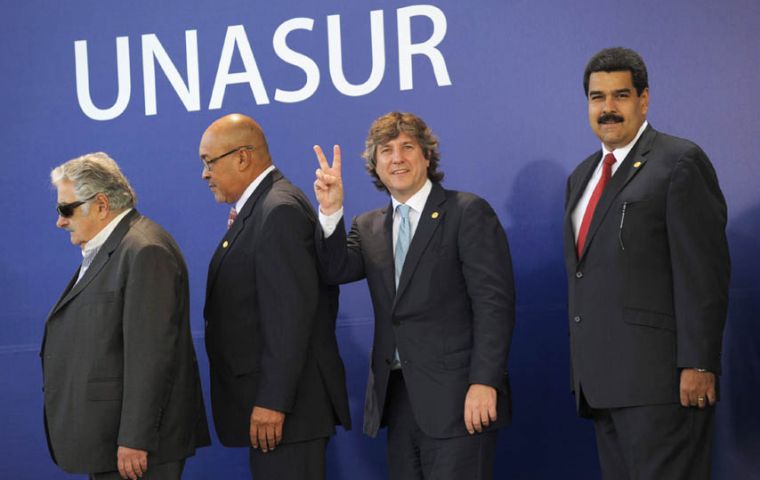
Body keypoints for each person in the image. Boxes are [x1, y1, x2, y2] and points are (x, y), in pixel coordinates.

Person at [313, 112, 515, 479]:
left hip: (460, 398)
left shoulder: (467, 212)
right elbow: (334, 270)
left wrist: (485, 382)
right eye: (386, 150)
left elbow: (494, 306)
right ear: (375, 165)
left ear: (427, 156)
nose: (397, 158)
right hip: (398, 401)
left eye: (407, 147)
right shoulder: (368, 225)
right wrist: (331, 210)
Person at [564, 47, 730, 479]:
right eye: (597, 98)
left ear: (644, 99)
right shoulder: (581, 176)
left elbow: (704, 275)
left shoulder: (678, 162)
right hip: (602, 387)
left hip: (663, 386)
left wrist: (698, 364)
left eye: (620, 95)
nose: (608, 109)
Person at [199, 113, 351, 479]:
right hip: (281, 415)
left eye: (208, 162)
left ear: (242, 157)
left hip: (288, 414)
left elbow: (289, 317)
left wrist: (272, 401)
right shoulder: (261, 208)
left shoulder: (278, 209)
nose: (204, 174)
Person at [43, 152, 210, 480]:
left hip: (137, 449)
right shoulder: (115, 247)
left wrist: (135, 438)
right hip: (111, 441)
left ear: (101, 205)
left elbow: (150, 354)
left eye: (66, 209)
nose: (60, 221)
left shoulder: (144, 250)